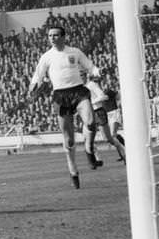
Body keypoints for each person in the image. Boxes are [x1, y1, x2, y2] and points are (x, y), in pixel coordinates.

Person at [27, 23, 103, 189]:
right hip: (60, 95)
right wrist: (33, 86)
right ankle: (73, 169)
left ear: (63, 36)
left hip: (78, 91)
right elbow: (38, 74)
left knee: (90, 122)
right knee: (68, 138)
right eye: (49, 36)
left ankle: (89, 148)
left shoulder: (74, 52)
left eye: (55, 35)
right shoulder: (46, 56)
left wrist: (96, 72)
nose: (52, 38)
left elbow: (90, 66)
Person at [85, 77, 126, 162]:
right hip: (102, 113)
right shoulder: (86, 88)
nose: (99, 84)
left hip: (113, 113)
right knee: (104, 137)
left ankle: (125, 154)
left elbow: (115, 97)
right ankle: (97, 158)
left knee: (112, 135)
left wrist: (118, 106)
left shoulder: (108, 91)